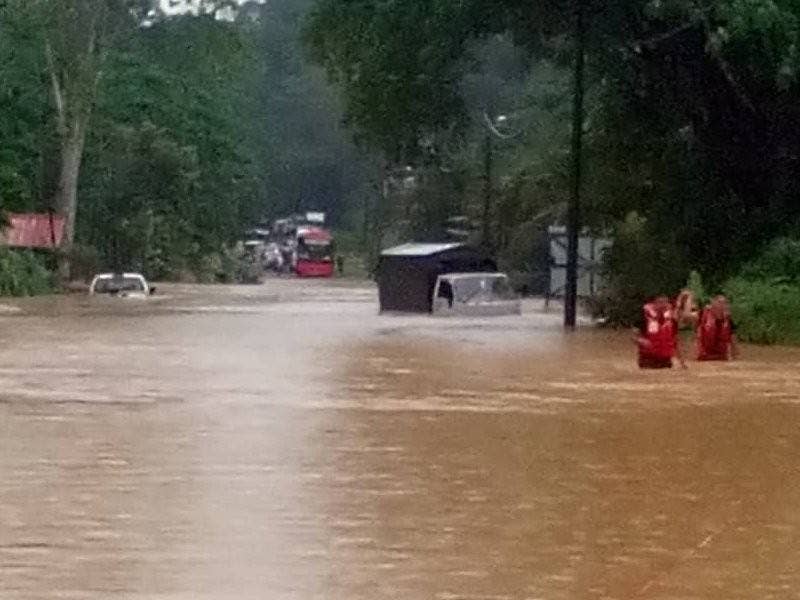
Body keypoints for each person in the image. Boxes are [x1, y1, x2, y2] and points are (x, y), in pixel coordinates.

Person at [634, 294, 686, 369]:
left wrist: (681, 361)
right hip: (647, 361)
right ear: (654, 303)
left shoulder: (671, 319)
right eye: (660, 302)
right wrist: (642, 341)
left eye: (665, 302)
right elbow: (634, 336)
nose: (663, 305)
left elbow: (675, 340)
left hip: (666, 362)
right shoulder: (644, 316)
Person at [696, 295, 738, 361]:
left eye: (724, 303)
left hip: (721, 356)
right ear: (713, 303)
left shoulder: (728, 320)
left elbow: (732, 338)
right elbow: (698, 332)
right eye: (719, 302)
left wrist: (732, 354)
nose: (722, 305)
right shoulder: (704, 314)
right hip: (705, 355)